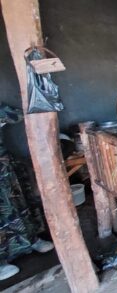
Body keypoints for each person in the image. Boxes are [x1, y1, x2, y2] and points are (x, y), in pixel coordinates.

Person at [0, 103, 54, 280]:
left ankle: (32, 240)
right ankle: (1, 263)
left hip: (4, 168)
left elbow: (15, 115)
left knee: (17, 205)